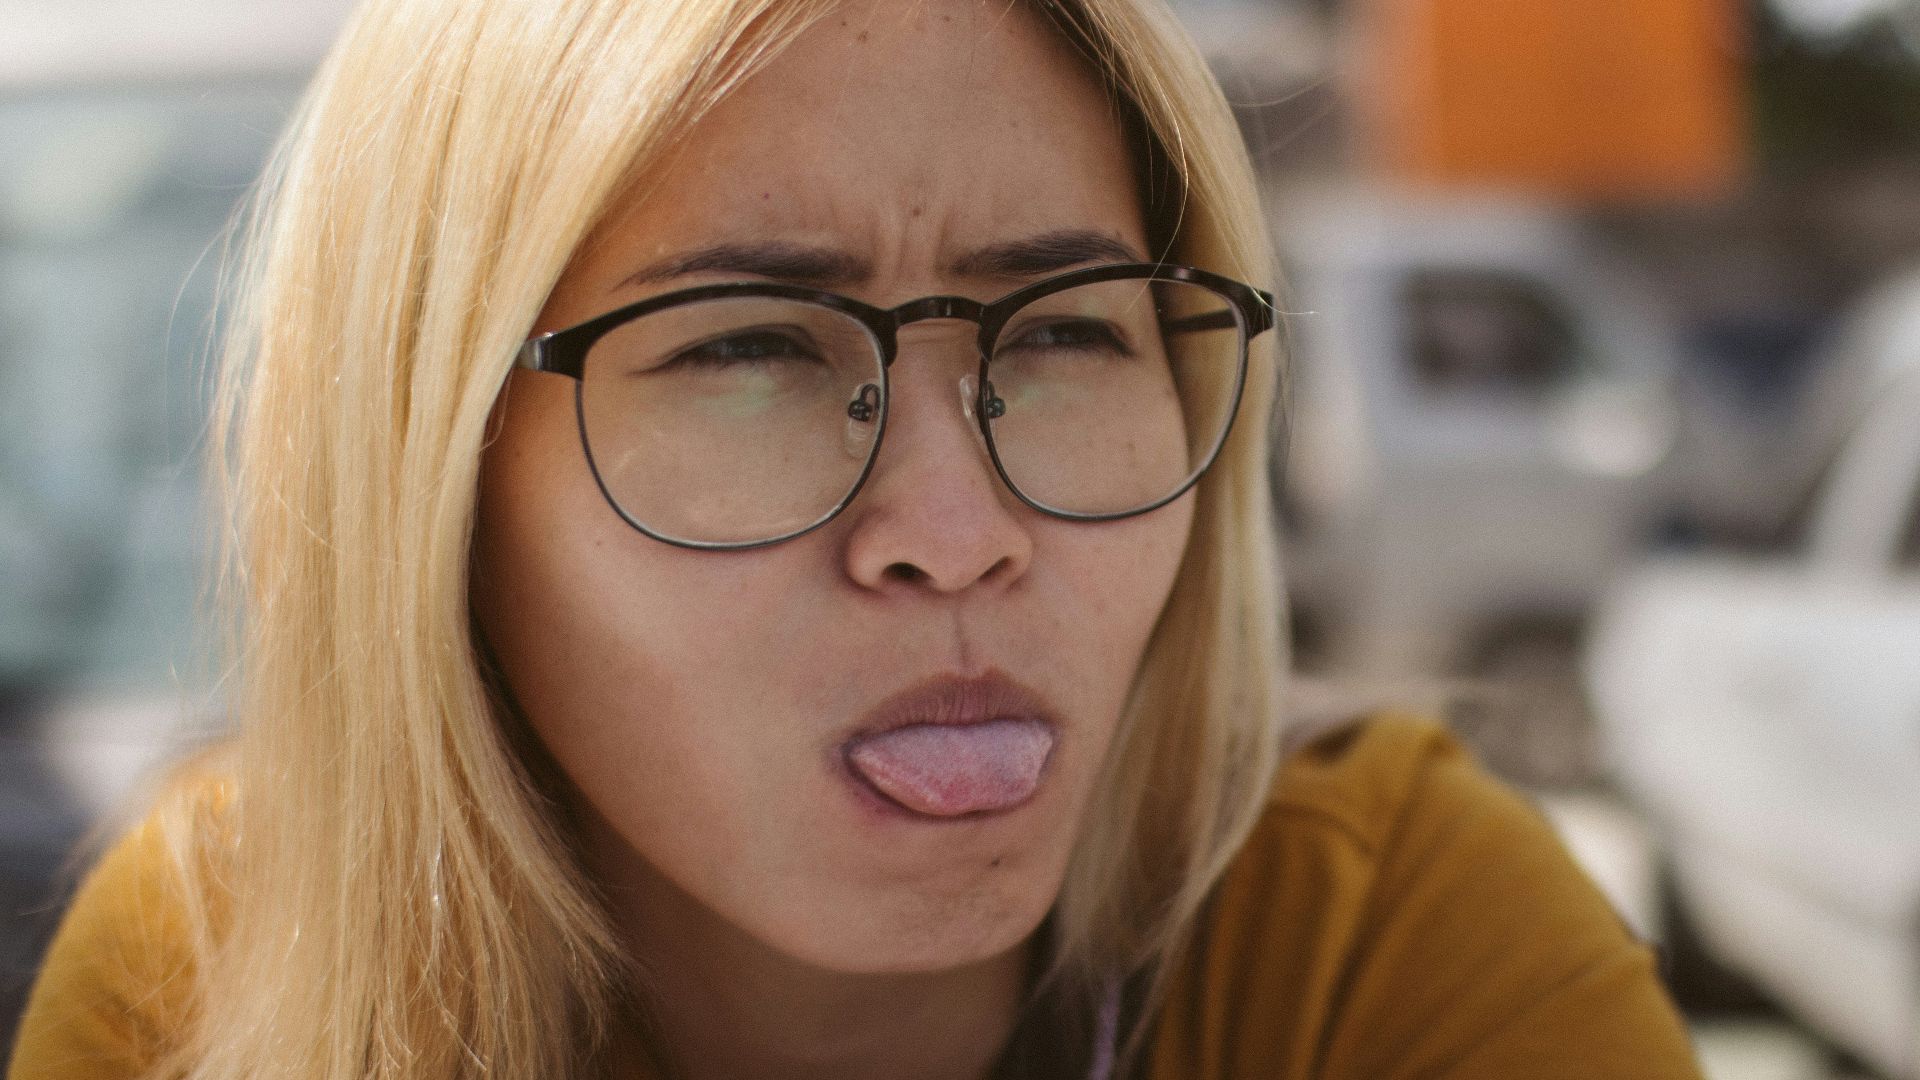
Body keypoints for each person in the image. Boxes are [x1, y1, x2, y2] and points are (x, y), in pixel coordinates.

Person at [7, 1, 1706, 1078]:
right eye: (748, 347)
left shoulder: (1379, 944)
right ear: (432, 472)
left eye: (1066, 331)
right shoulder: (215, 969)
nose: (958, 535)